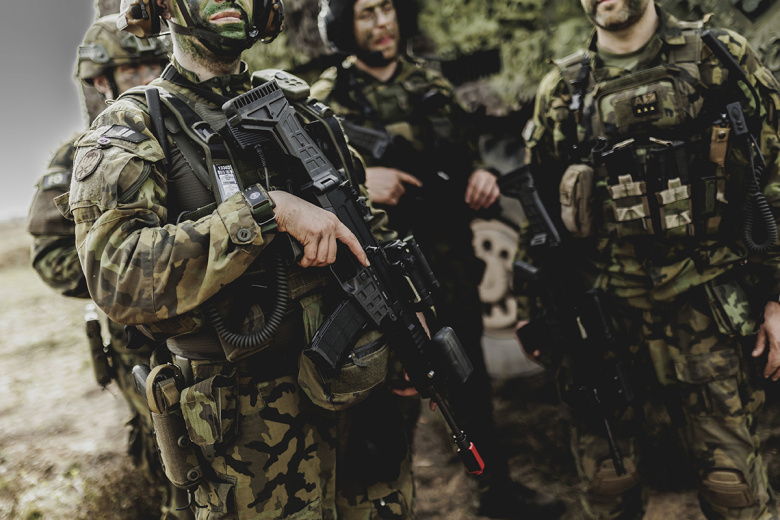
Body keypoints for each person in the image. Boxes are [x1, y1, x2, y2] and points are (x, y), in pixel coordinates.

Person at [63, 0, 421, 517]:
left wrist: (410, 315)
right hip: (247, 435)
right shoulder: (134, 126)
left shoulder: (298, 106)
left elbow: (364, 221)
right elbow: (116, 276)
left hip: (358, 393)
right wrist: (266, 212)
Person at [518, 0, 780, 518]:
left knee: (733, 490)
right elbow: (539, 211)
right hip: (603, 318)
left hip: (705, 305)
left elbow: (773, 175)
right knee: (608, 485)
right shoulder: (563, 91)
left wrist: (776, 295)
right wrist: (534, 308)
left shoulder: (720, 58)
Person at [311, 1, 565, 519]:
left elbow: (464, 159)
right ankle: (385, 505)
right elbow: (310, 188)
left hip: (448, 265)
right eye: (365, 13)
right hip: (379, 278)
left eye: (386, 8)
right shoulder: (326, 100)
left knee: (468, 381)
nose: (382, 23)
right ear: (342, 27)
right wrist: (364, 182)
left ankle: (496, 492)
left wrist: (481, 176)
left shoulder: (432, 85)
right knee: (383, 405)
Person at [25, 14, 191, 519]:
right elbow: (50, 256)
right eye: (131, 70)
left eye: (153, 65)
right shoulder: (82, 157)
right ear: (101, 81)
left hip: (213, 332)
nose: (147, 78)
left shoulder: (189, 136)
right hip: (141, 344)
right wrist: (125, 270)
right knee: (179, 472)